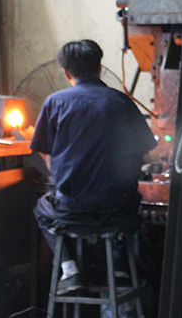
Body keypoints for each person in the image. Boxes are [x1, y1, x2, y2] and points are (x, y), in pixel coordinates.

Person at [30, 40, 157, 294]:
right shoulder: (121, 102)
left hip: (72, 210)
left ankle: (70, 270)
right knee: (126, 201)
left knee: (42, 208)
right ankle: (120, 265)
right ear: (100, 68)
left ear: (66, 73)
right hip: (119, 210)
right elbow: (145, 153)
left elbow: (42, 150)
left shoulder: (55, 102)